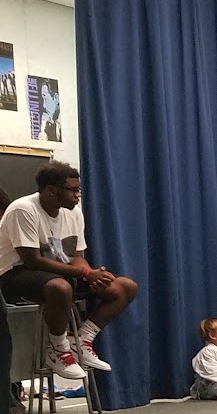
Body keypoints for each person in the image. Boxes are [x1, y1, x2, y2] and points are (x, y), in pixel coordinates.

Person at [0, 161, 140, 379]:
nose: (77, 195)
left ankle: (81, 340)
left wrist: (93, 274)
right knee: (60, 288)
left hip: (59, 273)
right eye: (73, 190)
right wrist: (85, 274)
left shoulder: (73, 213)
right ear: (52, 191)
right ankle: (57, 349)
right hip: (13, 275)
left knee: (124, 287)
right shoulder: (23, 209)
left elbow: (76, 257)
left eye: (78, 190)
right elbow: (32, 260)